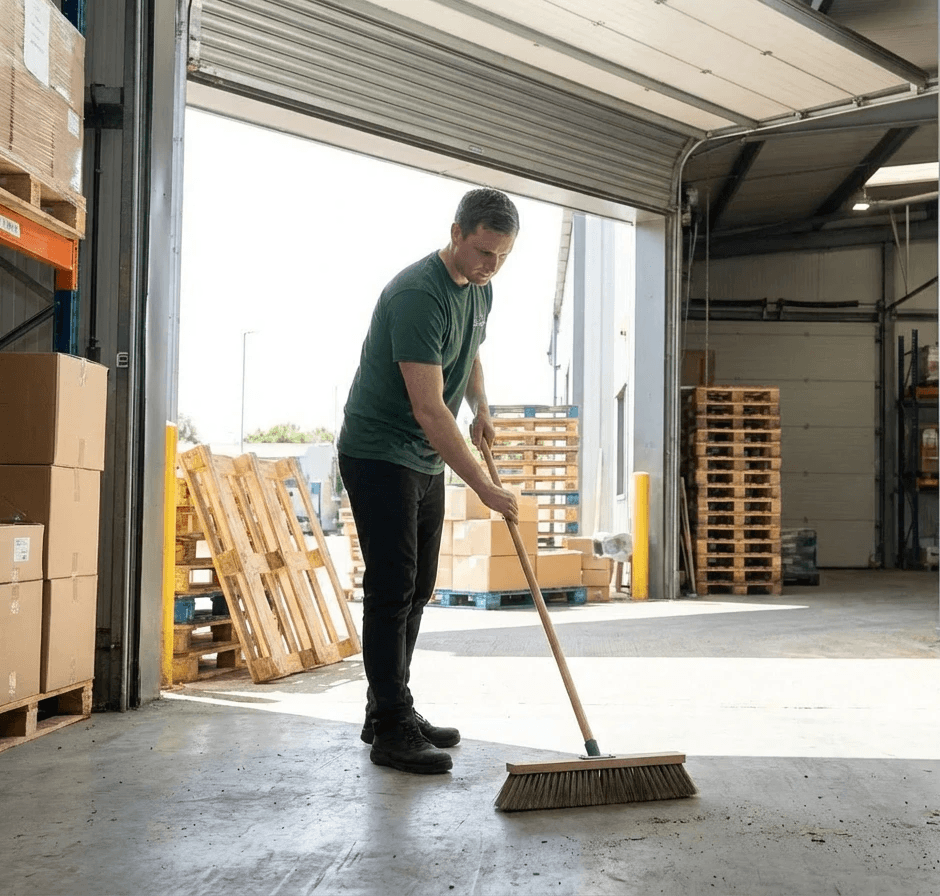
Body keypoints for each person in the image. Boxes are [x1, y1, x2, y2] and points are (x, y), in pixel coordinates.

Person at [337, 188, 521, 775]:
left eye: (501, 256)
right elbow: (428, 408)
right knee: (393, 588)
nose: (490, 266)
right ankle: (393, 729)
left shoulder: (481, 287)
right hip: (380, 452)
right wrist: (485, 490)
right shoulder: (419, 294)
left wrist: (484, 406)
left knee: (417, 589)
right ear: (456, 232)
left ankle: (387, 708)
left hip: (420, 458)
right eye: (482, 252)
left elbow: (469, 354)